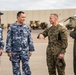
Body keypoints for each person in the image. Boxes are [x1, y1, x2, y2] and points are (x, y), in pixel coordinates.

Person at [6, 11, 35, 75]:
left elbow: (29, 38)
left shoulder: (26, 27)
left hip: (25, 51)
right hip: (14, 51)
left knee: (26, 68)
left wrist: (31, 49)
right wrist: (8, 51)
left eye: (24, 17)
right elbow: (9, 39)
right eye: (22, 17)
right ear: (18, 17)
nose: (24, 19)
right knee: (16, 69)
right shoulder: (12, 27)